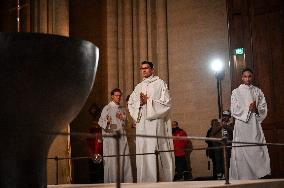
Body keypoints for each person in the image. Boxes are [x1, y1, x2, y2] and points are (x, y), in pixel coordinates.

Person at [128, 61, 174, 182]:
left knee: (156, 147)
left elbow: (167, 103)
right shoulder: (138, 87)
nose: (143, 70)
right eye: (142, 68)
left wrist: (149, 101)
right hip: (142, 122)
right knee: (143, 148)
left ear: (152, 70)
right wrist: (140, 103)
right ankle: (145, 179)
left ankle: (161, 178)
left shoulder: (160, 83)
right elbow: (131, 103)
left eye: (146, 68)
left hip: (155, 121)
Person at [230, 68, 270, 180]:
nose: (247, 79)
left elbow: (263, 107)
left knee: (256, 147)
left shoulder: (257, 91)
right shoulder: (236, 92)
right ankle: (243, 176)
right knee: (242, 148)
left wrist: (256, 109)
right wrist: (248, 109)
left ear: (252, 77)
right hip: (242, 124)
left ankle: (258, 174)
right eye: (245, 76)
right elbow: (234, 109)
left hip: (254, 123)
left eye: (249, 76)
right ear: (242, 77)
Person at [98, 88, 133, 183]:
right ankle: (113, 183)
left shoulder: (121, 109)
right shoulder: (107, 108)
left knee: (124, 160)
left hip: (122, 137)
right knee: (114, 161)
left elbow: (125, 124)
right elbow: (101, 122)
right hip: (112, 139)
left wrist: (123, 119)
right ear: (112, 96)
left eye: (120, 95)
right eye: (116, 95)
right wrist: (108, 122)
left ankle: (125, 182)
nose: (118, 97)